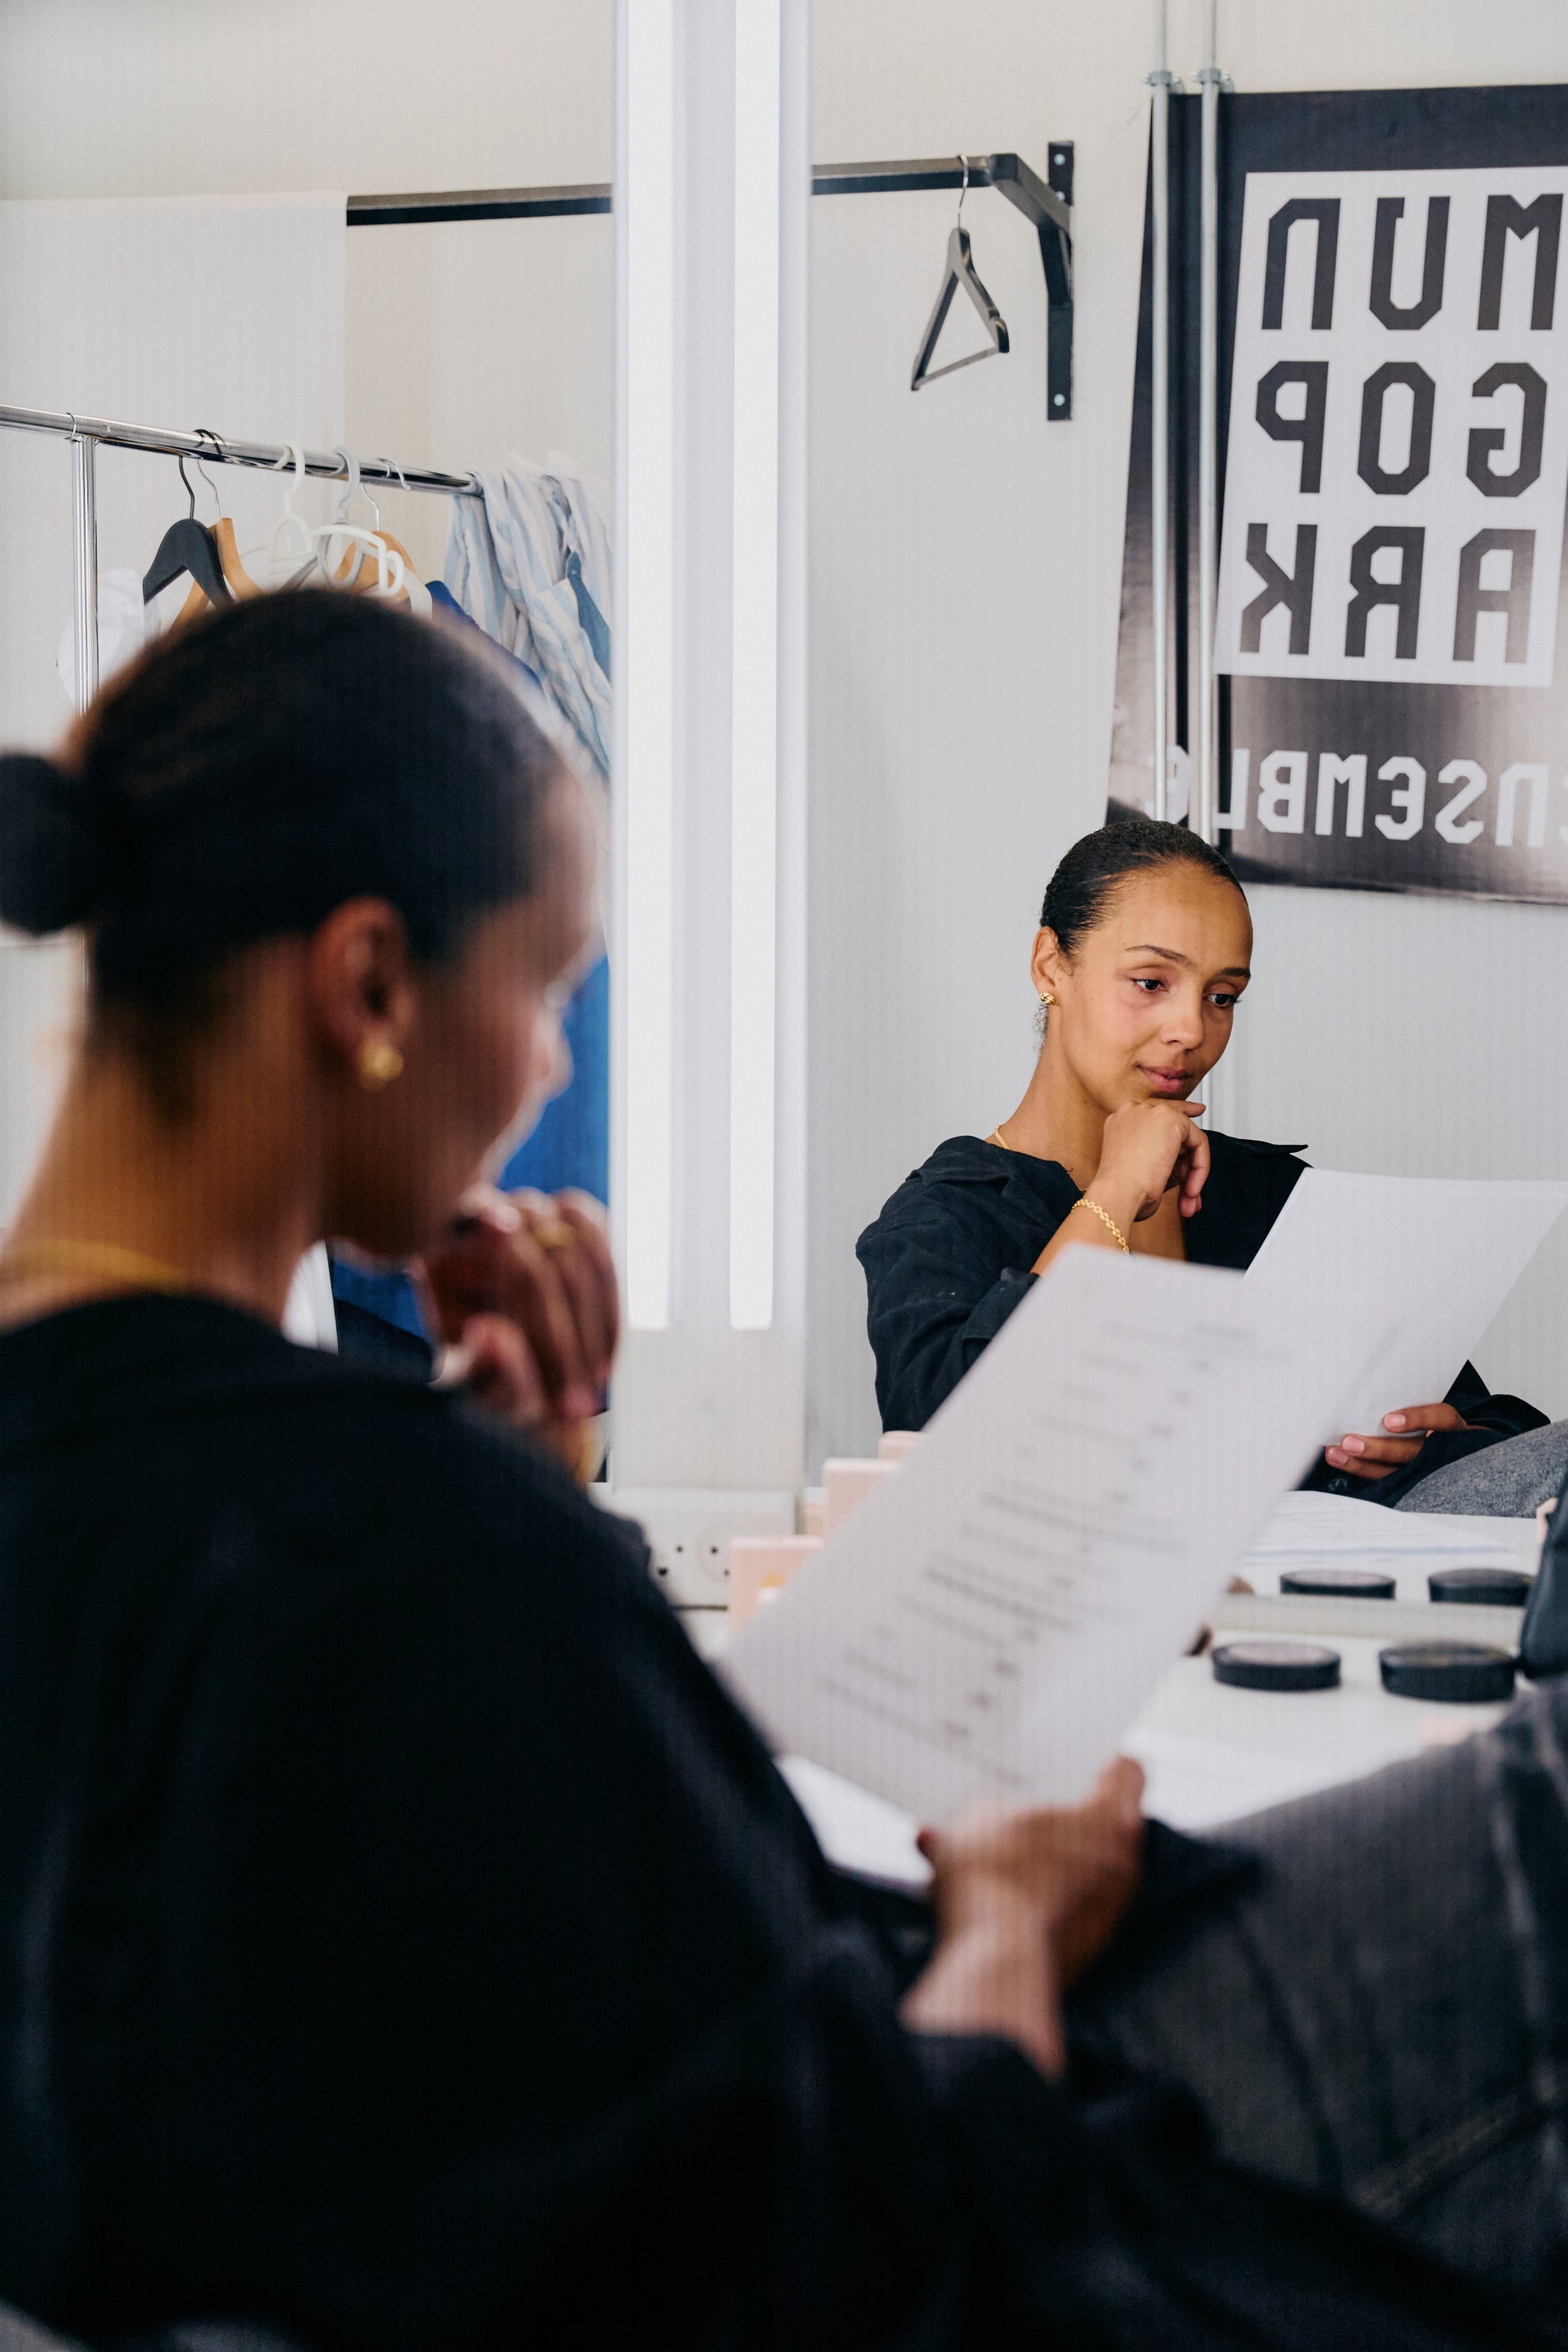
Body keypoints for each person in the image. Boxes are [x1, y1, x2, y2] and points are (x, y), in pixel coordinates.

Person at [0, 596, 1566, 2351]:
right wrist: (1005, 1924)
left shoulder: (201, 1491)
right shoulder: (387, 1526)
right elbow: (833, 2233)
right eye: (550, 991)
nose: (554, 1065)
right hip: (986, 2166)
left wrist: (522, 1484)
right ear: (368, 984)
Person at [857, 820, 1564, 1511]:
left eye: (1222, 996)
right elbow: (946, 1454)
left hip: (1328, 1569)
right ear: (1051, 966)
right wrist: (1115, 1189)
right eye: (1150, 982)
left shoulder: (1268, 1196)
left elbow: (1503, 1429)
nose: (1192, 1029)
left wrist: (1439, 1437)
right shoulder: (943, 1219)